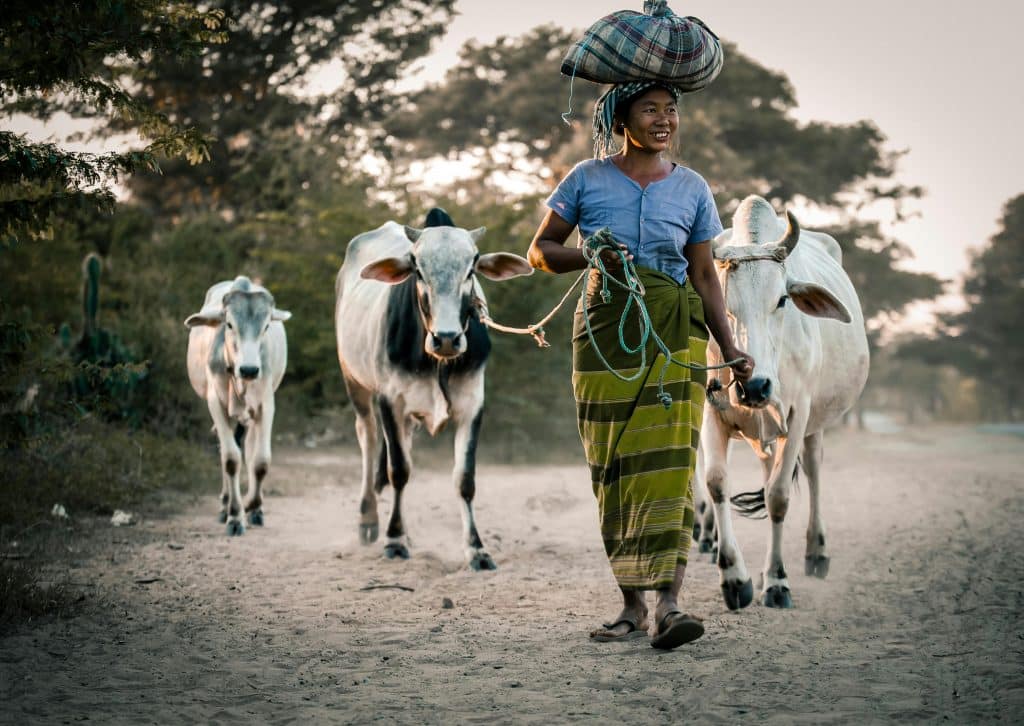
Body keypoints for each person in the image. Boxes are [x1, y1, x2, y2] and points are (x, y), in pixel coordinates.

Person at [527, 80, 754, 649]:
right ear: (619, 117)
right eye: (650, 109)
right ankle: (630, 605)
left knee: (671, 467)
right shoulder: (585, 179)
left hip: (675, 335)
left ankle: (669, 606)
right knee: (615, 470)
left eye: (671, 110)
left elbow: (704, 276)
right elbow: (540, 251)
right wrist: (590, 252)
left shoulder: (693, 188)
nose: (663, 119)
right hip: (605, 335)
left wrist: (730, 350)